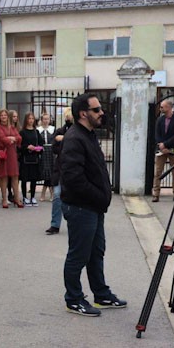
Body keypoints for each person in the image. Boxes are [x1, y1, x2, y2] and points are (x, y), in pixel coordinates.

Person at [60, 93, 127, 316]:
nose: (101, 113)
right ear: (83, 113)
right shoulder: (74, 138)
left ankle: (101, 294)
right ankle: (74, 299)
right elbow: (73, 178)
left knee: (96, 252)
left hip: (93, 207)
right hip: (81, 207)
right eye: (96, 110)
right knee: (78, 255)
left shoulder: (88, 135)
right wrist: (98, 196)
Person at [45, 107, 72, 235]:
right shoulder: (59, 131)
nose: (68, 118)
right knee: (57, 195)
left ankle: (74, 223)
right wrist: (59, 139)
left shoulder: (79, 131)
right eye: (66, 116)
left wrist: (64, 139)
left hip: (74, 170)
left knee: (74, 199)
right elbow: (54, 148)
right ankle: (55, 225)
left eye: (69, 116)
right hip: (60, 169)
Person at [152, 99, 174, 202]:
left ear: (168, 107)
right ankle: (156, 194)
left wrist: (165, 144)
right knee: (158, 172)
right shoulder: (160, 119)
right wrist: (161, 145)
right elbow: (157, 134)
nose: (160, 109)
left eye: (162, 107)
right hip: (161, 149)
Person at [0, 109, 23, 208]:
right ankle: (4, 199)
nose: (4, 117)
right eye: (2, 115)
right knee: (3, 177)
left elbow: (19, 138)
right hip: (3, 154)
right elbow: (2, 139)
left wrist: (12, 138)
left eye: (5, 115)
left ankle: (17, 199)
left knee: (15, 176)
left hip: (12, 154)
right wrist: (11, 139)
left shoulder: (12, 127)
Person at [19, 112, 42, 207]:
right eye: (29, 118)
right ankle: (25, 197)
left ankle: (32, 196)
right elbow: (19, 146)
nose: (31, 120)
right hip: (25, 158)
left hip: (34, 158)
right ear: (26, 120)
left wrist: (38, 148)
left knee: (33, 178)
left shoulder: (36, 132)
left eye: (32, 118)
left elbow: (41, 143)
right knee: (24, 178)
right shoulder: (22, 132)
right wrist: (27, 147)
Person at [37, 113, 55, 202]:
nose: (46, 121)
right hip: (42, 151)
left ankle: (44, 193)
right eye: (44, 119)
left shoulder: (53, 129)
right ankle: (51, 193)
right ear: (41, 120)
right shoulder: (38, 130)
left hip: (51, 152)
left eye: (47, 119)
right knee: (45, 171)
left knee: (50, 172)